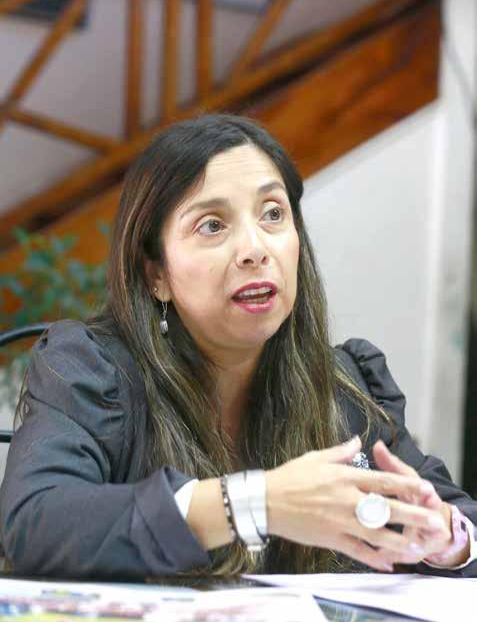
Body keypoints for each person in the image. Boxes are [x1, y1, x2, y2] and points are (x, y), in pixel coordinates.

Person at [0, 113, 476, 579]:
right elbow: (35, 521)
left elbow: (458, 519)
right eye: (212, 225)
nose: (255, 249)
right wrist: (256, 503)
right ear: (156, 273)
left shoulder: (348, 385)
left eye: (273, 214)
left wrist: (446, 541)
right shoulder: (91, 372)